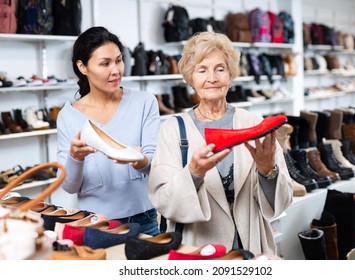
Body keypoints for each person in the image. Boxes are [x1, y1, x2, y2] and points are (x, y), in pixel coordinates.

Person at [148, 31, 293, 255]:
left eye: (220, 69)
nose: (212, 78)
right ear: (190, 77)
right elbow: (163, 202)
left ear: (231, 74)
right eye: (202, 70)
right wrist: (194, 173)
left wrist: (268, 171)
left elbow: (283, 202)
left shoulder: (253, 123)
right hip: (200, 247)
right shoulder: (174, 130)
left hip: (252, 246)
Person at [56, 26, 161, 236]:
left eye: (119, 60)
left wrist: (138, 159)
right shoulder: (68, 116)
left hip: (145, 220)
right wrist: (75, 157)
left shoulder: (145, 102)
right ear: (82, 67)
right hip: (97, 224)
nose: (116, 70)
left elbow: (156, 164)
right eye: (105, 63)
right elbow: (68, 186)